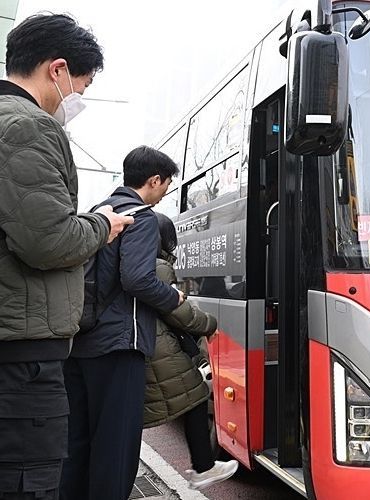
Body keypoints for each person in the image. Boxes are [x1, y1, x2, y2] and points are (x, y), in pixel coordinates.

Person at [0, 14, 133, 500]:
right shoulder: (27, 127)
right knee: (29, 483)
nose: (78, 96)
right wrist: (102, 226)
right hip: (22, 361)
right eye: (83, 83)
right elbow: (48, 242)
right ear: (56, 69)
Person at [60, 147, 183, 500]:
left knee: (77, 440)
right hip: (118, 345)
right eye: (167, 184)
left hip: (81, 340)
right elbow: (137, 279)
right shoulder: (141, 217)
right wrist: (172, 297)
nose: (165, 192)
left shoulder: (99, 213)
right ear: (154, 180)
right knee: (115, 445)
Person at [144, 213, 239, 490]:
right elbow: (177, 312)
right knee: (195, 395)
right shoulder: (158, 267)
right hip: (158, 346)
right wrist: (209, 323)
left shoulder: (136, 262)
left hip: (145, 343)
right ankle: (203, 467)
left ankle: (203, 466)